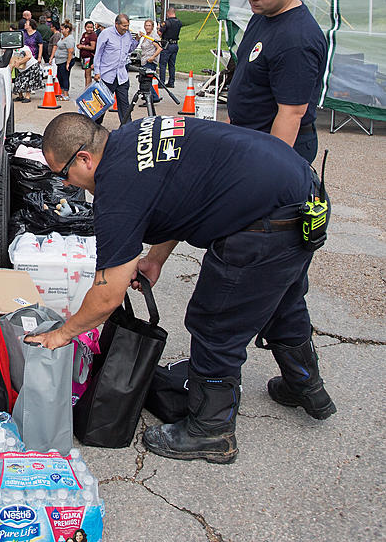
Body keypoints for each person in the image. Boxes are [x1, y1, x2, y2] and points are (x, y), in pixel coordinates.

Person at [27, 112, 336, 464]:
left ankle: (211, 430)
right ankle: (305, 386)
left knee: (216, 320)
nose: (67, 185)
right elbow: (182, 197)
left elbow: (107, 295)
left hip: (269, 218)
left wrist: (63, 333)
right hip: (298, 191)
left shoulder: (116, 187)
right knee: (282, 299)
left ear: (84, 158)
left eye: (63, 174)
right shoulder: (132, 136)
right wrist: (155, 259)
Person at [227, 0, 328, 163]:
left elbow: (291, 114)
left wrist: (271, 168)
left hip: (274, 145)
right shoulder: (263, 15)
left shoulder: (297, 40)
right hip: (248, 136)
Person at [93, 13, 138, 126]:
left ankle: (127, 127)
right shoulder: (106, 34)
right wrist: (97, 72)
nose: (126, 28)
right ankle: (95, 126)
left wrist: (136, 40)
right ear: (116, 24)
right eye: (124, 26)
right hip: (107, 75)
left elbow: (129, 49)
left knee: (124, 104)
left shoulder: (127, 35)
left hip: (122, 76)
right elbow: (98, 53)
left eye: (127, 25)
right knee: (102, 103)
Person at [9, 18, 44, 103]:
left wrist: (19, 62)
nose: (25, 24)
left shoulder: (24, 47)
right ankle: (20, 96)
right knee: (18, 80)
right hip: (23, 68)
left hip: (32, 66)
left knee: (28, 81)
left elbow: (28, 56)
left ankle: (27, 97)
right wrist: (9, 71)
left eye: (27, 23)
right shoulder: (14, 50)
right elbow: (12, 63)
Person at [137, 19, 164, 103]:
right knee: (143, 80)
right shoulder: (146, 36)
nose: (147, 27)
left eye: (149, 25)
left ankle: (152, 98)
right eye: (146, 25)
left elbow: (159, 48)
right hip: (144, 61)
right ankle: (149, 97)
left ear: (152, 27)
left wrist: (152, 57)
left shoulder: (152, 36)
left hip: (149, 62)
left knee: (146, 81)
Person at [158, 7, 182, 88]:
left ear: (168, 13)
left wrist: (159, 28)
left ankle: (161, 83)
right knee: (172, 65)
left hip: (167, 45)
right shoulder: (179, 22)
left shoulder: (166, 23)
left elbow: (159, 33)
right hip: (175, 45)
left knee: (163, 64)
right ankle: (171, 82)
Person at [54, 21, 77, 101]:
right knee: (59, 76)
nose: (61, 31)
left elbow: (70, 51)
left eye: (63, 29)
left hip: (65, 60)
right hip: (59, 61)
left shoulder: (69, 39)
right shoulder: (62, 37)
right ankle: (62, 92)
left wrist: (68, 63)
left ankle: (66, 94)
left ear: (67, 29)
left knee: (65, 77)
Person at [77, 21, 98, 89]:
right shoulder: (84, 34)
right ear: (85, 27)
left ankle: (88, 89)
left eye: (91, 27)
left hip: (90, 57)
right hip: (84, 57)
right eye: (88, 27)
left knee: (88, 74)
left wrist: (82, 46)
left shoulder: (93, 35)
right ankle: (87, 87)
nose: (89, 29)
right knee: (86, 74)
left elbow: (92, 47)